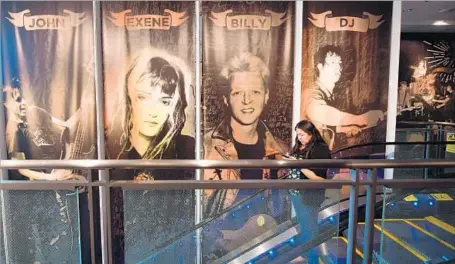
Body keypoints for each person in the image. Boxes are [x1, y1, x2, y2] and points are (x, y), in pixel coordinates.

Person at [106, 48, 195, 263]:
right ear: (129, 99)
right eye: (144, 98)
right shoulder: (111, 151)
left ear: (174, 105)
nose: (154, 111)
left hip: (172, 249)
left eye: (164, 101)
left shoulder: (184, 148)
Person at [202, 52, 289, 260]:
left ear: (266, 95)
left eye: (255, 92)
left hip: (266, 248)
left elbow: (282, 210)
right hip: (218, 250)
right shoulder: (205, 147)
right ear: (226, 98)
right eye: (237, 93)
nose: (247, 101)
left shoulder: (280, 150)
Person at [301, 45, 385, 150]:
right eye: (332, 63)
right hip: (308, 159)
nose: (338, 68)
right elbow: (320, 112)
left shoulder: (329, 94)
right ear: (320, 66)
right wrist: (360, 119)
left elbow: (320, 126)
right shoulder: (311, 92)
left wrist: (344, 129)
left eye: (339, 63)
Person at [284, 120, 331, 264]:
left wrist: (298, 165)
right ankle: (306, 255)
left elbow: (318, 178)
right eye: (298, 134)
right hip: (295, 192)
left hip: (310, 193)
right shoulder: (300, 146)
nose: (299, 138)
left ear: (311, 133)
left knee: (310, 227)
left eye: (302, 134)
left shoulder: (320, 149)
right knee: (303, 225)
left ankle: (313, 259)